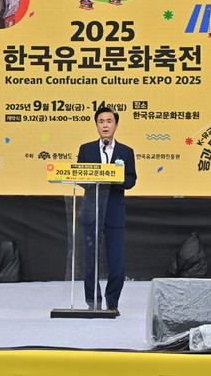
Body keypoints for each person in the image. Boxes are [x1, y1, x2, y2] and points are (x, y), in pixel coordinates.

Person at [77, 106, 137, 315]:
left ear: (116, 125)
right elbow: (80, 177)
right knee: (90, 260)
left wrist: (115, 178)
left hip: (114, 212)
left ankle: (112, 302)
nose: (105, 125)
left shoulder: (126, 152)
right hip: (91, 210)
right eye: (101, 121)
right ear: (96, 125)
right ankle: (93, 301)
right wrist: (95, 178)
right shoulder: (86, 149)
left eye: (109, 121)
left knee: (117, 262)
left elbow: (131, 180)